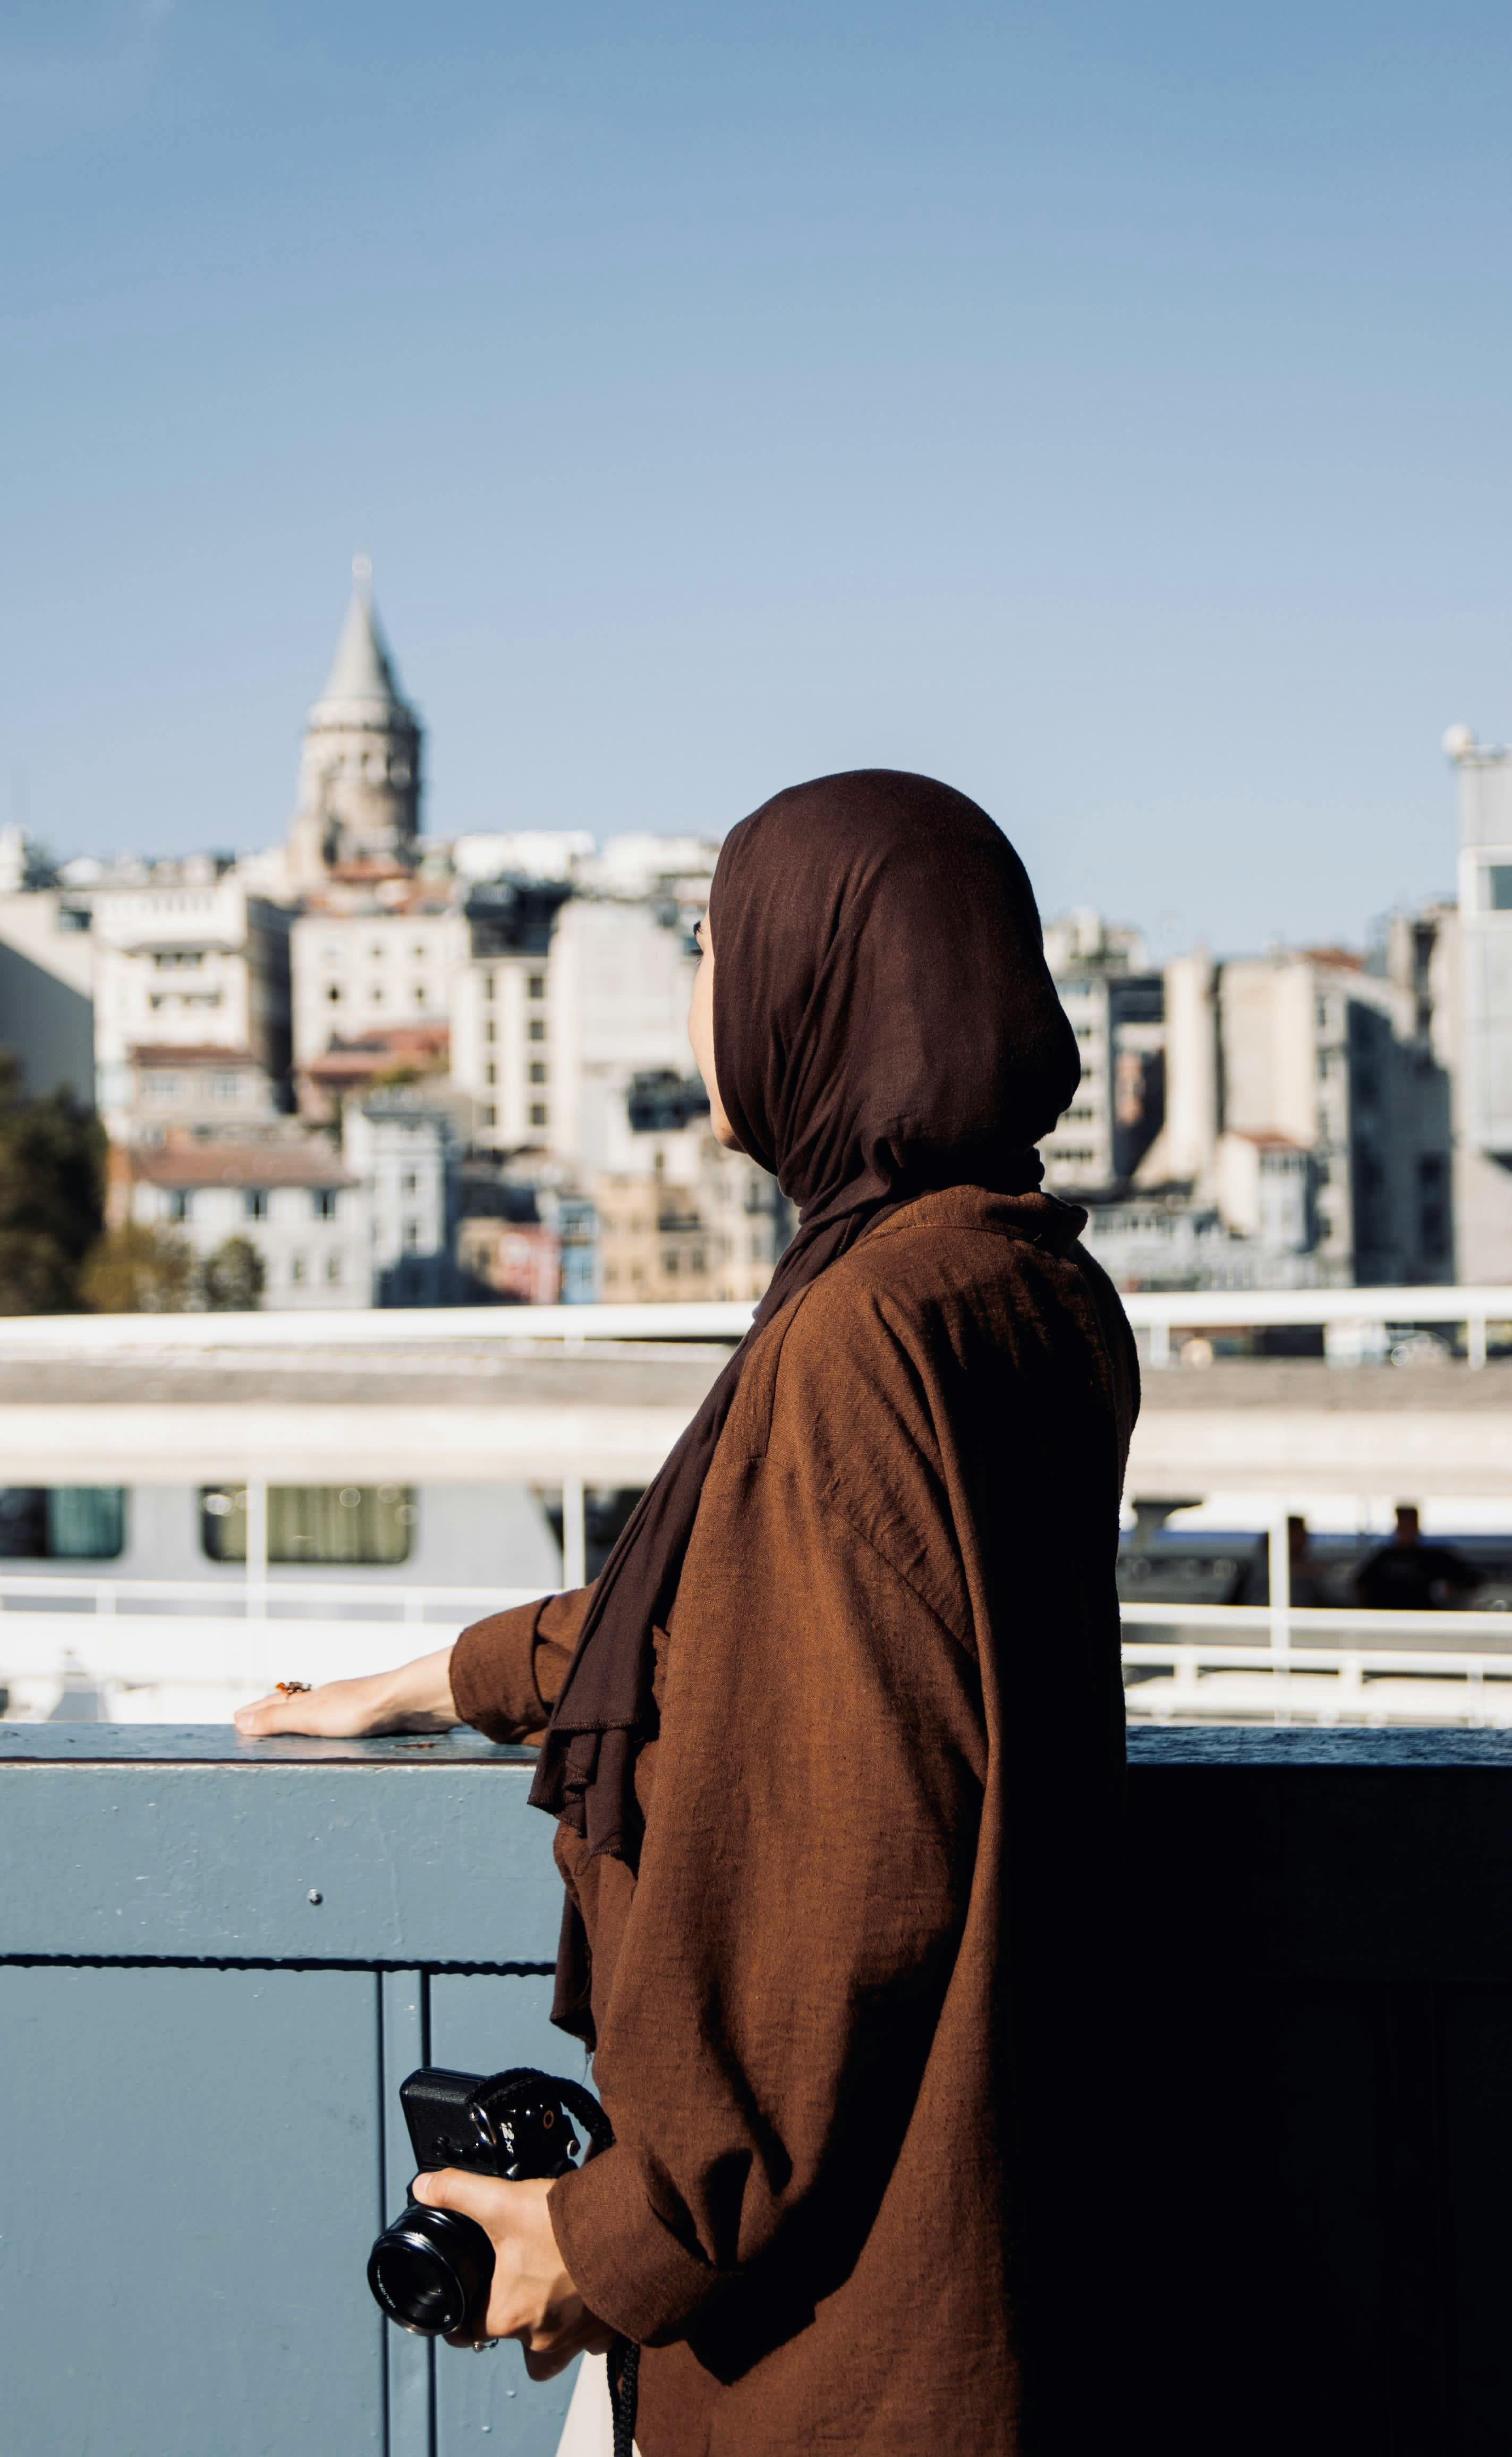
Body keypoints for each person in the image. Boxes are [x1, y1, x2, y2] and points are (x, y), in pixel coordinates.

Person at [239, 771, 1139, 2455]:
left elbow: (849, 1866)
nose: (701, 991)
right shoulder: (1028, 1285)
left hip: (843, 2329)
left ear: (818, 977)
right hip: (997, 2229)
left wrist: (609, 2241)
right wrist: (426, 1678)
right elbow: (753, 1622)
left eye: (720, 945)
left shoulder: (857, 1337)